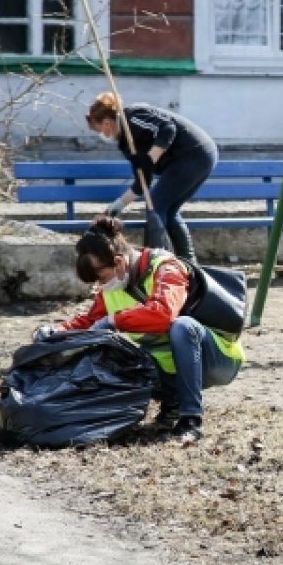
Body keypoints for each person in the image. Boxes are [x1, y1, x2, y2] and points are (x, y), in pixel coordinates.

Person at [33, 216, 243, 443]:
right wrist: (55, 331)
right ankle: (171, 400)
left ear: (119, 262)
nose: (100, 286)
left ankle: (190, 419)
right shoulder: (113, 286)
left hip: (217, 358)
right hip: (168, 364)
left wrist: (115, 321)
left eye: (101, 277)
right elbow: (89, 321)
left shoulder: (166, 269)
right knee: (115, 356)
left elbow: (163, 314)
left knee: (183, 327)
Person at [86, 93, 219, 266]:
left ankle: (154, 264)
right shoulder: (126, 143)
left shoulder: (132, 119)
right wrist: (118, 205)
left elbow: (167, 128)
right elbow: (143, 181)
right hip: (192, 158)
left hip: (194, 153)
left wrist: (149, 158)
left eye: (99, 130)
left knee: (155, 205)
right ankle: (189, 264)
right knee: (168, 210)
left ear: (106, 123)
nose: (102, 135)